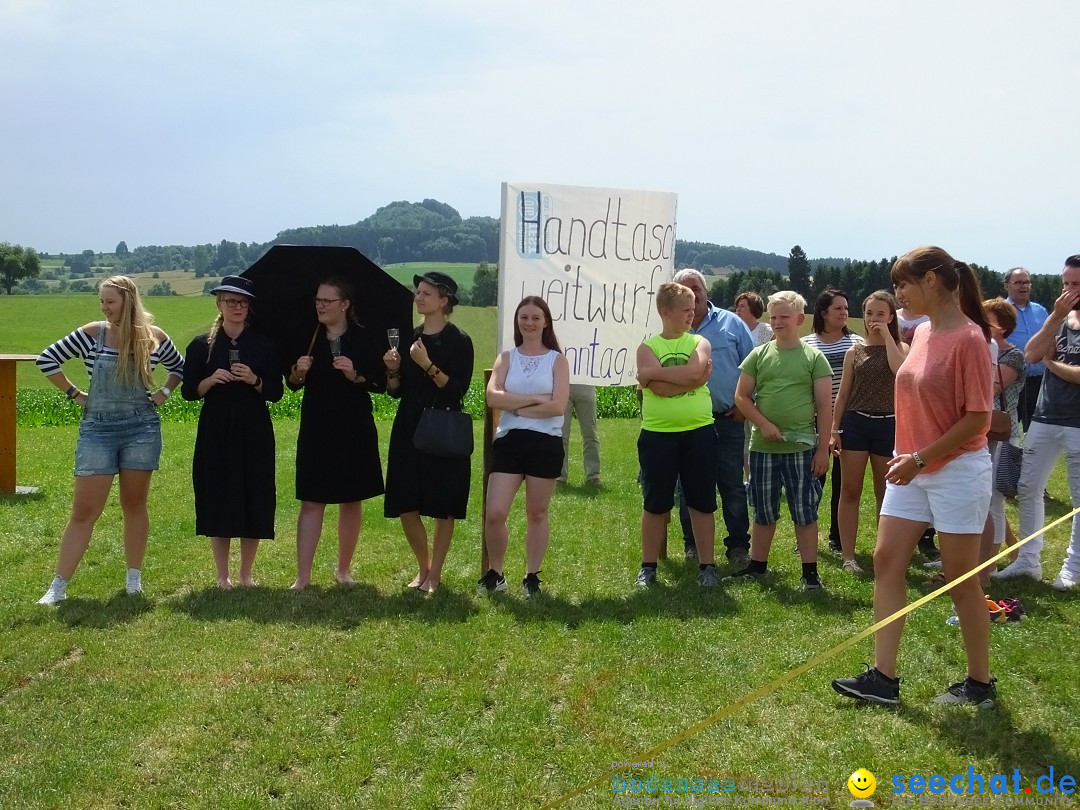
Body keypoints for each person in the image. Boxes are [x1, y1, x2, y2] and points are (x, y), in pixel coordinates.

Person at [832, 246, 996, 708]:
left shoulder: (970, 339)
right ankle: (883, 679)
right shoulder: (921, 333)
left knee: (960, 577)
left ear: (932, 280)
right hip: (913, 467)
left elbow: (977, 420)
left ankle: (979, 685)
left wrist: (920, 459)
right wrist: (915, 460)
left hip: (956, 470)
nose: (898, 292)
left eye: (904, 283)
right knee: (886, 561)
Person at [36, 275, 184, 604]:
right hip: (98, 430)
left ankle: (134, 581)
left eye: (110, 301)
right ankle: (58, 587)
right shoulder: (92, 333)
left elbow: (180, 369)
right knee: (84, 509)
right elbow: (47, 359)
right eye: (101, 301)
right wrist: (75, 394)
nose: (104, 307)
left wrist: (163, 394)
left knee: (134, 505)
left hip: (141, 429)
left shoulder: (154, 338)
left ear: (128, 301)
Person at [181, 275, 283, 589]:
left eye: (242, 302)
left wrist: (254, 379)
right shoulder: (202, 345)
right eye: (230, 301)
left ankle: (246, 574)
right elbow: (188, 392)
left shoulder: (263, 344)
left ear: (249, 307)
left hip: (253, 427)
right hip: (217, 427)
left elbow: (276, 392)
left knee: (255, 492)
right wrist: (211, 380)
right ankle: (222, 575)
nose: (236, 307)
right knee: (218, 492)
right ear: (219, 304)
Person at [727, 291, 832, 591]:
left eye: (783, 317)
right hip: (762, 449)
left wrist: (822, 449)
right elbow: (741, 396)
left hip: (801, 449)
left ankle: (810, 574)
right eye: (773, 317)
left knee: (804, 512)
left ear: (800, 319)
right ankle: (757, 567)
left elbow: (825, 406)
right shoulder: (759, 355)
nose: (776, 322)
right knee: (763, 511)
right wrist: (763, 424)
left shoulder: (814, 358)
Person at [286, 278, 386, 590]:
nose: (320, 305)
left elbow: (379, 383)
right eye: (318, 300)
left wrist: (354, 374)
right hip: (317, 425)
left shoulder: (365, 338)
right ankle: (303, 577)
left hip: (354, 425)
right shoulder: (308, 336)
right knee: (312, 500)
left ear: (344, 304)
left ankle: (343, 570)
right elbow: (291, 383)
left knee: (351, 499)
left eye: (327, 301)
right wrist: (298, 372)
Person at [992, 255, 1080, 590]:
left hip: (1077, 421)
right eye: (1065, 284)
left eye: (1076, 285)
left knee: (1077, 499)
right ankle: (1028, 561)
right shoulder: (1059, 317)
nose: (1069, 292)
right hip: (1044, 415)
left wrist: (1054, 366)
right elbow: (1030, 354)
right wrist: (1056, 316)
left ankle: (1073, 568)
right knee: (1028, 488)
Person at [383, 272, 474, 594]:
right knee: (406, 501)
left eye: (426, 293)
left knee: (443, 503)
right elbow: (395, 391)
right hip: (409, 424)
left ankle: (435, 574)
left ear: (444, 300)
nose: (418, 297)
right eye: (417, 292)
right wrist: (393, 370)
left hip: (443, 426)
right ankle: (425, 567)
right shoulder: (410, 338)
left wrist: (425, 364)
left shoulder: (459, 341)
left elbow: (457, 391)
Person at [481, 296, 569, 597]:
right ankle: (496, 572)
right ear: (517, 322)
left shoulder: (557, 361)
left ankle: (532, 575)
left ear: (545, 322)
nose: (529, 322)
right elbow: (493, 398)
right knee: (494, 512)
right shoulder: (506, 359)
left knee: (537, 513)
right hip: (510, 441)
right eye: (523, 317)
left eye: (535, 317)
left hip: (545, 443)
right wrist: (534, 401)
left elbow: (557, 406)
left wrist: (514, 404)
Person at [635, 281, 720, 587]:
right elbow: (660, 388)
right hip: (658, 435)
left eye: (693, 308)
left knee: (702, 501)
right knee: (655, 502)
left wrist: (653, 373)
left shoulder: (699, 342)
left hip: (699, 432)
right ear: (665, 312)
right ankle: (648, 567)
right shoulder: (648, 348)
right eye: (685, 309)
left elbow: (694, 373)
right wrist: (690, 380)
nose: (692, 313)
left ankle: (707, 566)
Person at [673, 270, 754, 566]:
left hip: (726, 420)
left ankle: (737, 546)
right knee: (687, 486)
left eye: (695, 288)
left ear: (706, 291)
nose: (691, 295)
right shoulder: (671, 329)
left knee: (731, 484)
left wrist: (746, 405)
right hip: (685, 422)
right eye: (684, 290)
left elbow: (753, 366)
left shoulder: (732, 323)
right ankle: (692, 545)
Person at [830, 291, 908, 573]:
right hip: (856, 423)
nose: (874, 319)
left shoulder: (903, 347)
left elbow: (900, 371)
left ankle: (883, 554)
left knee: (884, 492)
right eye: (869, 313)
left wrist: (887, 337)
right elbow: (843, 394)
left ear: (891, 317)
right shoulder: (855, 350)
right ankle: (848, 557)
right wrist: (834, 429)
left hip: (889, 425)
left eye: (880, 314)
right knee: (850, 490)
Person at [802, 288, 864, 553]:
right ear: (823, 312)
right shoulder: (806, 344)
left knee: (843, 483)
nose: (844, 313)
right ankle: (805, 534)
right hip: (812, 420)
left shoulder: (857, 342)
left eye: (846, 308)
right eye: (838, 308)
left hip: (846, 421)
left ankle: (837, 538)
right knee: (812, 479)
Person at [1003, 267, 1050, 432]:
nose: (1023, 286)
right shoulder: (1000, 311)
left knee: (1037, 431)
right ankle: (1009, 458)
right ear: (1007, 286)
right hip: (1011, 383)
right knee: (1008, 432)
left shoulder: (1040, 311)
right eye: (1018, 283)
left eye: (1027, 282)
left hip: (1039, 382)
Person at [734, 291, 773, 480]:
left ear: (753, 308)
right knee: (745, 437)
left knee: (759, 433)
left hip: (763, 390)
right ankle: (750, 479)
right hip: (742, 388)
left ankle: (769, 476)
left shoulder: (767, 331)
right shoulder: (734, 329)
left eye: (742, 306)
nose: (738, 309)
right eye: (737, 306)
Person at [558, 384, 601, 486]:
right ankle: (559, 475)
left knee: (590, 433)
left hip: (586, 385)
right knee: (561, 435)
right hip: (564, 385)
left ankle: (593, 475)